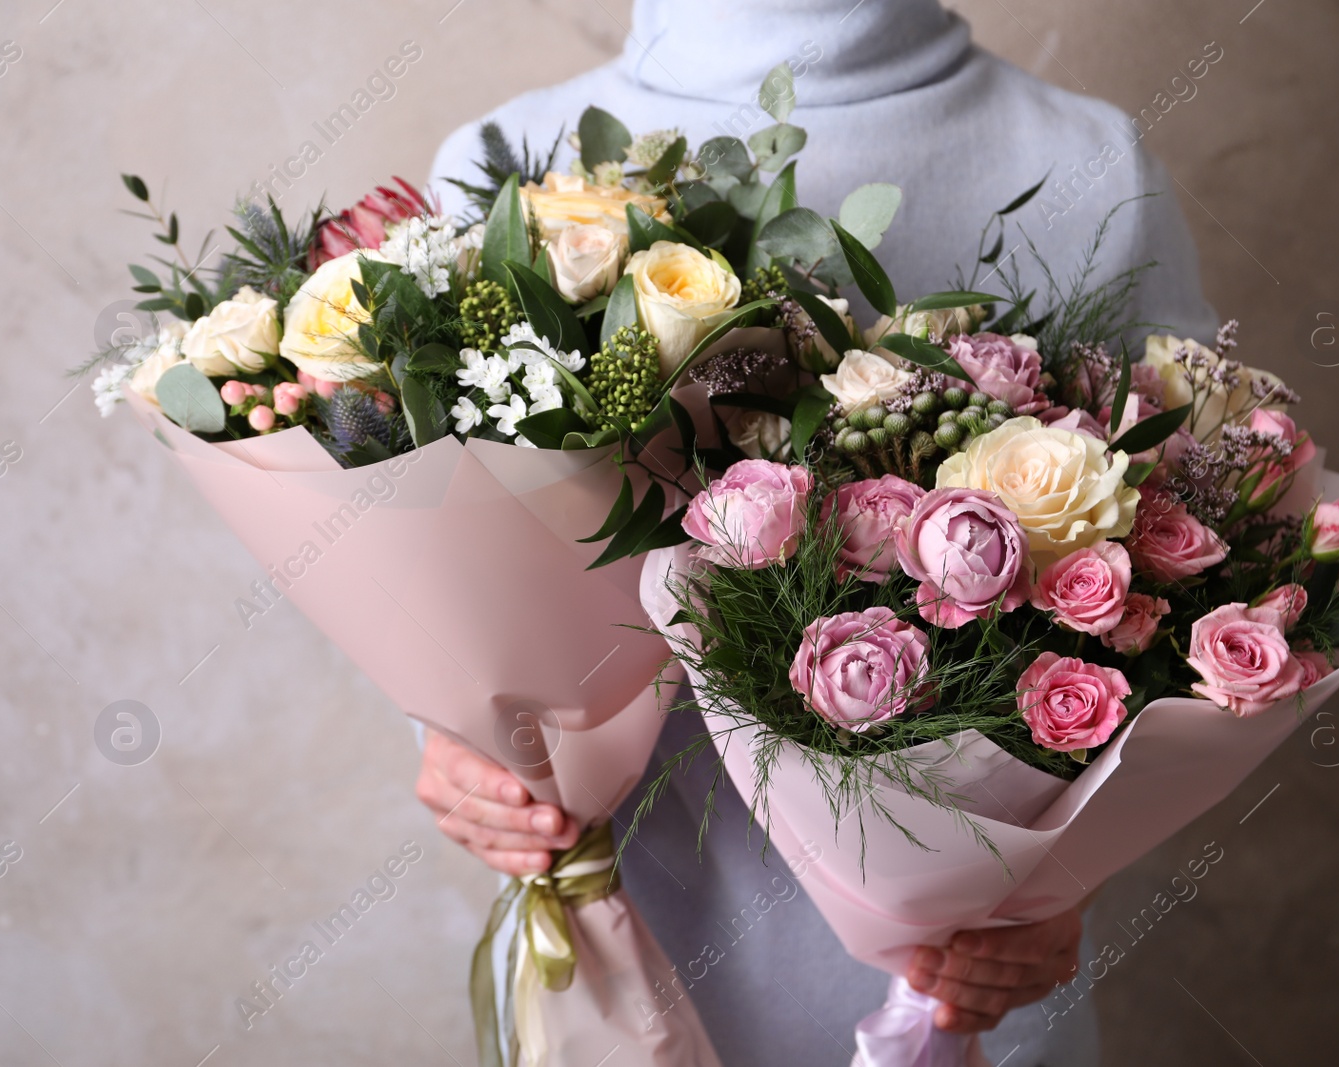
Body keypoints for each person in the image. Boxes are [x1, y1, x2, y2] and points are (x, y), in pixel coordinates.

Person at [417, 1, 1216, 1062]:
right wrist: (461, 748)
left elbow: (1183, 595)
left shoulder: (1084, 162)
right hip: (623, 923)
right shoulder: (500, 168)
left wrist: (1066, 882)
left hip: (960, 977)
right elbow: (453, 558)